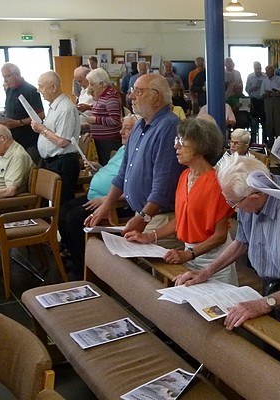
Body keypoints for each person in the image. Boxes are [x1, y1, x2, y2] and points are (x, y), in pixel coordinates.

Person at [174, 154, 280, 340]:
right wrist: (206, 272)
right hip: (271, 287)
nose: (233, 208)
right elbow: (241, 242)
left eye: (233, 203)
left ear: (255, 196)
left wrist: (262, 304)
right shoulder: (249, 192)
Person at [125, 118, 237, 285]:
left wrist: (189, 254)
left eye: (182, 141)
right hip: (191, 253)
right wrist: (149, 237)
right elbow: (181, 220)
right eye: (177, 140)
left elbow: (220, 235)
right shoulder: (185, 176)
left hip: (215, 260)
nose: (176, 146)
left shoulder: (217, 183)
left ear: (201, 145)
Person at [86, 74, 185, 248]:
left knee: (127, 261)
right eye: (133, 91)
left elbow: (163, 185)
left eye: (138, 92)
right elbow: (123, 172)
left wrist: (143, 218)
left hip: (159, 218)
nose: (131, 96)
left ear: (156, 97)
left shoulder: (169, 127)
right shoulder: (139, 126)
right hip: (143, 215)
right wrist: (107, 204)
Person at [59, 115, 138, 279]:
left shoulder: (138, 154)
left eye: (127, 128)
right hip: (95, 196)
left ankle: (83, 268)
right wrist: (97, 167)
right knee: (63, 210)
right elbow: (111, 172)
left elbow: (135, 189)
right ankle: (73, 255)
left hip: (113, 204)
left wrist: (107, 200)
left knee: (74, 218)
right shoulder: (123, 149)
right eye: (122, 127)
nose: (121, 132)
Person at [31, 71, 80, 204]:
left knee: (63, 204)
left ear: (53, 87)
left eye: (41, 86)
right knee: (54, 202)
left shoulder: (65, 109)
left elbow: (63, 141)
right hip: (53, 161)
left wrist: (42, 129)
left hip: (63, 162)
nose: (38, 90)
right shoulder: (54, 107)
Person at [0, 63, 45, 162]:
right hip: (14, 141)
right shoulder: (9, 90)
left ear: (17, 74)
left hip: (29, 141)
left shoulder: (30, 90)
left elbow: (40, 116)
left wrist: (19, 123)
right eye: (4, 77)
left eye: (8, 76)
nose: (5, 80)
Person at [86, 68, 122, 165]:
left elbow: (115, 120)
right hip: (102, 140)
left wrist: (95, 120)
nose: (89, 87)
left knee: (107, 165)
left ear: (101, 84)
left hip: (109, 141)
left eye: (92, 84)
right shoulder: (103, 95)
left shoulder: (110, 97)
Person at [0, 125, 34, 198]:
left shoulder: (17, 156)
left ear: (3, 139)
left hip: (6, 201)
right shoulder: (3, 152)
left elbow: (10, 191)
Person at [261, 65, 280, 146]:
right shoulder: (264, 81)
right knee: (269, 122)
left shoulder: (279, 79)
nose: (268, 73)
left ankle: (279, 143)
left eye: (270, 71)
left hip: (278, 102)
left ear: (273, 71)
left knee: (278, 122)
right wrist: (267, 94)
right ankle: (271, 142)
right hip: (268, 102)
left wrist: (279, 93)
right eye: (267, 71)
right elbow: (261, 94)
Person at [245, 61, 266, 143]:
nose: (257, 70)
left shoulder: (265, 77)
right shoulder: (250, 77)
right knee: (254, 121)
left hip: (262, 100)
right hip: (253, 100)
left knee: (264, 121)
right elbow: (247, 89)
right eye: (255, 69)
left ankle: (264, 141)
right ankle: (253, 141)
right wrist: (252, 89)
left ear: (261, 68)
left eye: (258, 68)